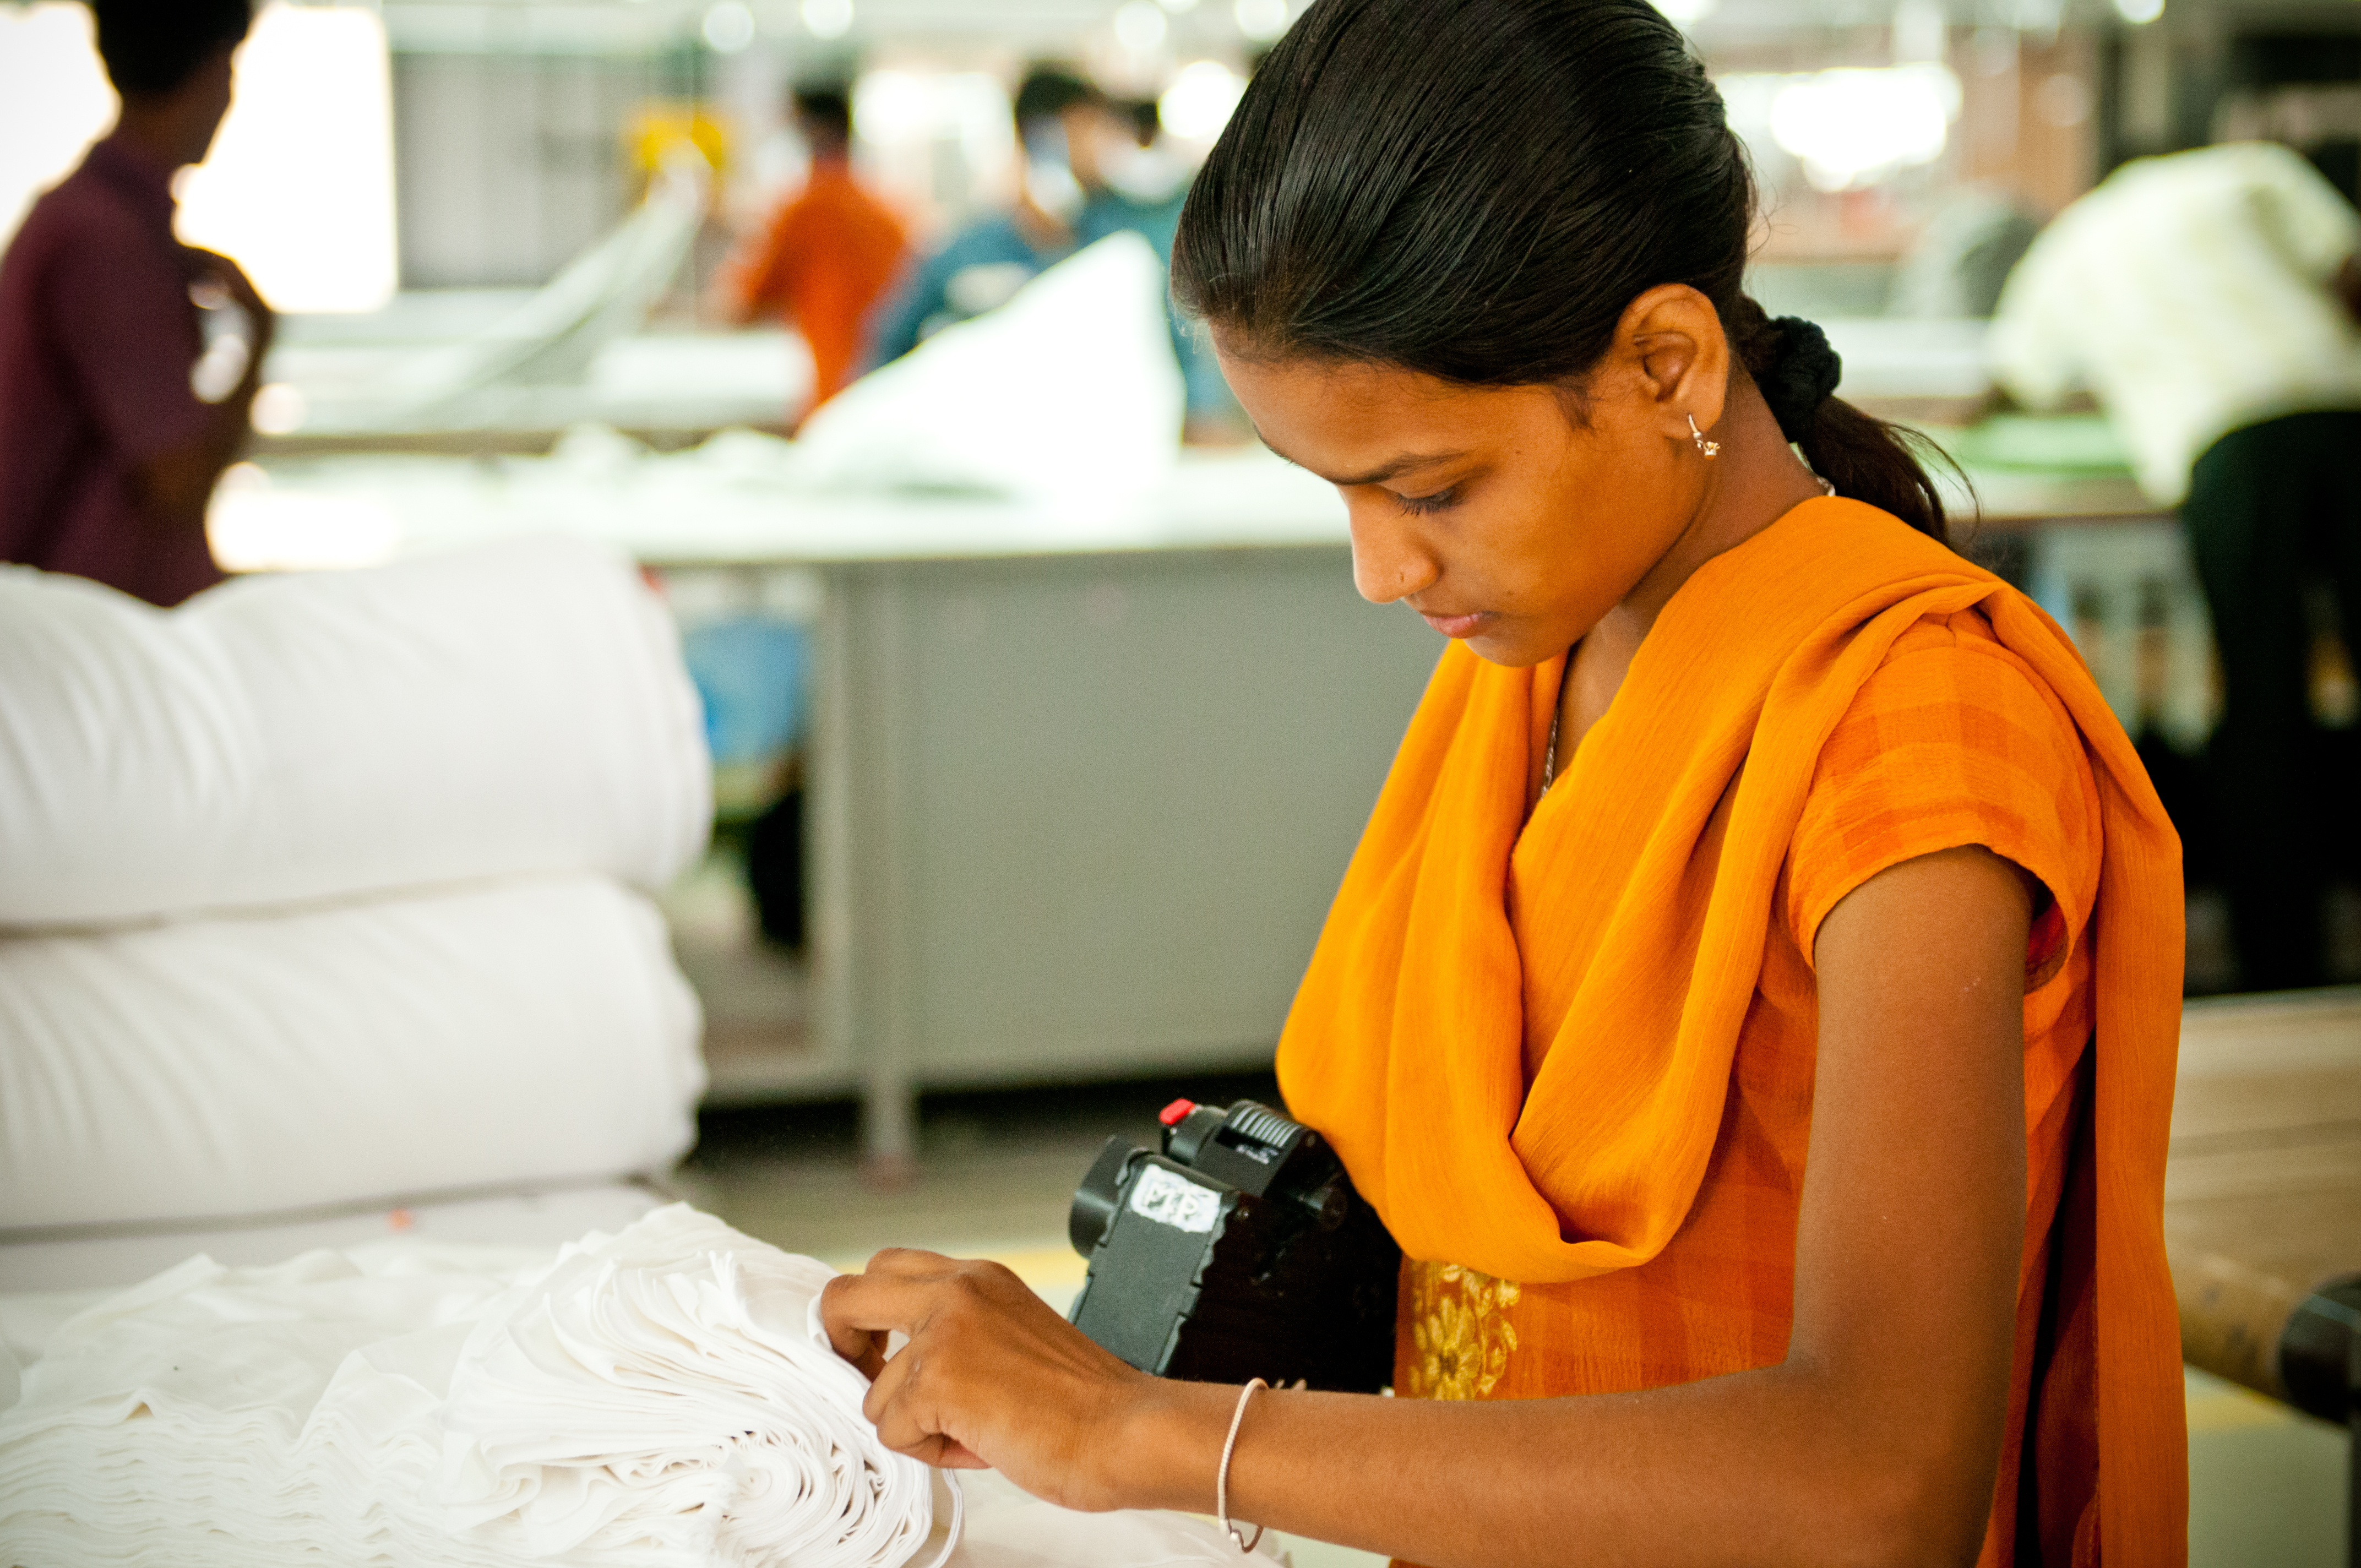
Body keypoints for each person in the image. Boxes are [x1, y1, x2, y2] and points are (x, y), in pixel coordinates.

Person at [817, 3, 2190, 1565]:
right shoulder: (1542, 658)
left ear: (1666, 364)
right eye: (1340, 494)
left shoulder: (1911, 729)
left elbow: (1880, 1479)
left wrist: (1144, 1431)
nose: (1380, 569)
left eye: (1429, 488)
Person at [1992, 141, 2361, 993]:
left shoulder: (2068, 245)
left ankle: (2284, 964)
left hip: (2225, 445)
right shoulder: (2246, 169)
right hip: (2346, 414)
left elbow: (2013, 385)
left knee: (2265, 705)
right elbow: (2350, 272)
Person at [0, 0, 269, 608]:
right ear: (214, 72)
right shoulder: (102, 239)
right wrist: (258, 337)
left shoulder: (92, 221)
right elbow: (179, 481)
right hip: (89, 625)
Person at [861, 66, 1234, 435]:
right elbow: (888, 342)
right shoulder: (967, 252)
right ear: (1043, 138)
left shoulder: (1124, 250)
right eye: (1089, 130)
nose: (1103, 147)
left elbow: (1179, 348)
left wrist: (1200, 418)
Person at [715, 83, 908, 422]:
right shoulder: (889, 211)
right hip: (888, 393)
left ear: (810, 131)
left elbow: (741, 305)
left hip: (833, 393)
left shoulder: (801, 211)